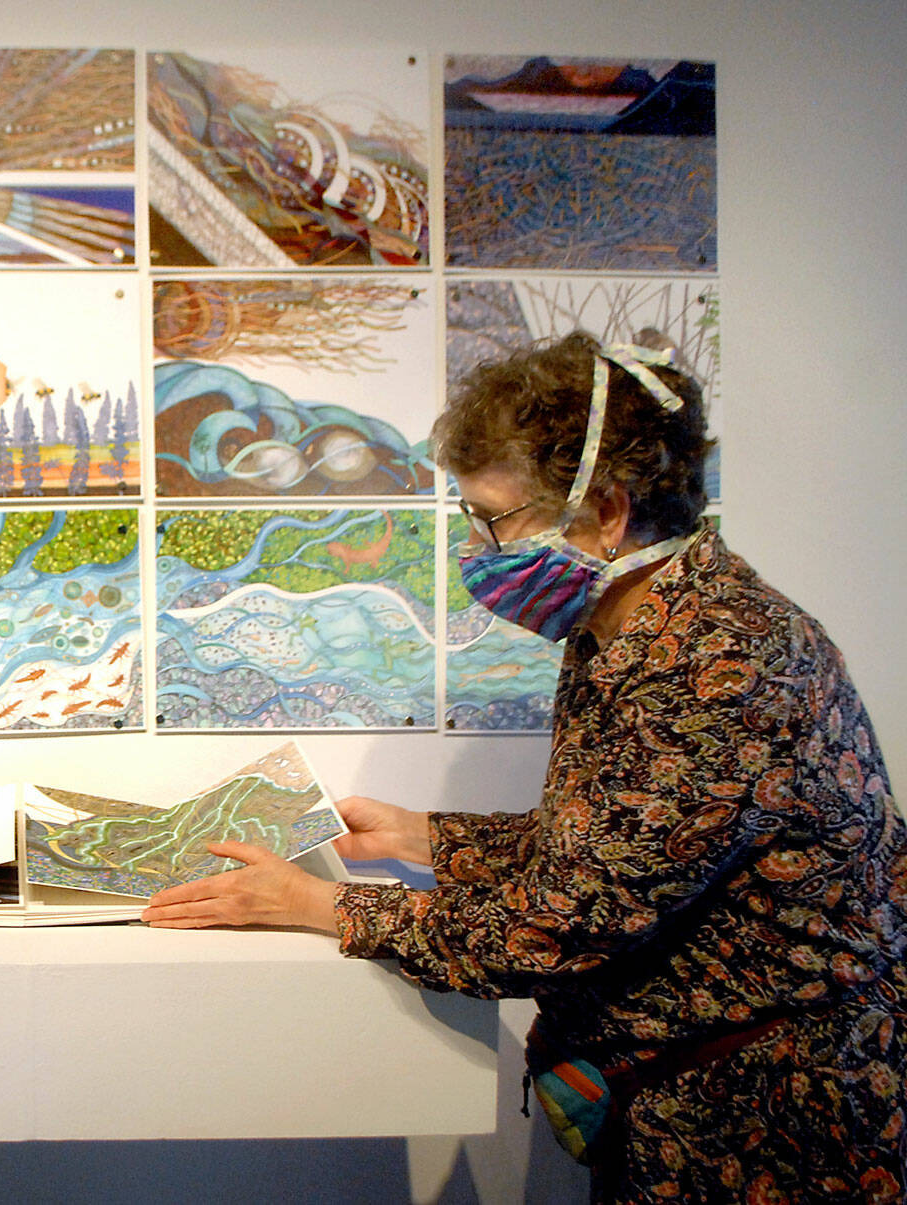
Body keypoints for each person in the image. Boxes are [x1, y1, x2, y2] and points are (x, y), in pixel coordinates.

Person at [143, 332, 906, 1201]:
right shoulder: (634, 621)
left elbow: (558, 929)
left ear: (607, 511)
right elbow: (623, 844)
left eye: (495, 520)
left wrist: (318, 903)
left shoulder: (718, 660)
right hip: (686, 1096)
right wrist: (433, 837)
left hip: (769, 1123)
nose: (478, 547)